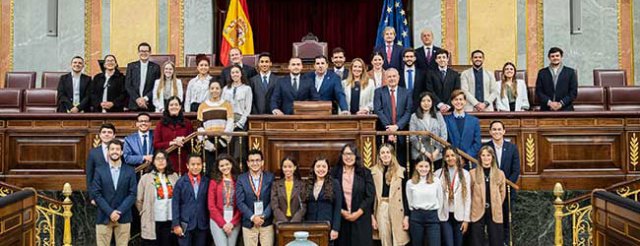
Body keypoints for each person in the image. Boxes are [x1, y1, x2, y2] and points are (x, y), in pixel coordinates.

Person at [90, 139, 137, 246]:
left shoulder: (130, 170)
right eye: (112, 149)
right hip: (103, 216)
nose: (115, 151)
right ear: (108, 152)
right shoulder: (99, 170)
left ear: (121, 152)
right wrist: (110, 212)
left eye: (117, 149)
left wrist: (119, 211)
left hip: (124, 216)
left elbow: (132, 194)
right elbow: (96, 193)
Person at [331, 144, 375, 246]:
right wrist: (342, 211)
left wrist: (358, 213)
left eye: (351, 154)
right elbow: (330, 195)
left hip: (361, 219)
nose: (348, 157)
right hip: (341, 220)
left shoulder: (365, 173)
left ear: (356, 156)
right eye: (345, 154)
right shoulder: (334, 173)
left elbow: (370, 195)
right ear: (341, 156)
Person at [484, 120, 520, 243]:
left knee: (506, 218)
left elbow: (516, 170)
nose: (497, 132)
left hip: (507, 190)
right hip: (490, 191)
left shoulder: (512, 148)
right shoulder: (486, 148)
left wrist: (504, 185)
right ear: (490, 132)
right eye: (494, 129)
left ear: (504, 131)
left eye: (499, 129)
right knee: (492, 219)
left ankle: (505, 241)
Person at [136, 150, 179, 246]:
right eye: (157, 159)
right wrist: (145, 211)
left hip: (169, 219)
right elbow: (139, 200)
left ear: (167, 161)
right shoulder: (146, 178)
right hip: (152, 220)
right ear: (153, 161)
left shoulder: (174, 176)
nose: (160, 161)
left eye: (163, 158)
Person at [370, 144, 410, 246]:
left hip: (397, 208)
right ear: (379, 155)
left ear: (392, 154)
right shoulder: (373, 172)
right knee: (385, 238)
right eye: (382, 153)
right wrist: (372, 216)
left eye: (388, 152)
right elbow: (371, 196)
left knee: (398, 239)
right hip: (382, 206)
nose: (385, 155)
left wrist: (406, 216)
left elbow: (406, 196)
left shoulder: (401, 171)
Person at [373, 68, 413, 166]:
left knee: (401, 163)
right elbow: (378, 110)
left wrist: (397, 127)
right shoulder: (379, 92)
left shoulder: (406, 92)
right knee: (384, 163)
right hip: (384, 133)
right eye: (389, 76)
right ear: (385, 79)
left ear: (398, 78)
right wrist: (389, 128)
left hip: (401, 133)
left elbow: (408, 111)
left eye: (394, 76)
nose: (392, 78)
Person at [236, 149, 275, 246]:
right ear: (248, 163)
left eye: (257, 160)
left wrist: (263, 216)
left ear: (262, 162)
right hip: (249, 223)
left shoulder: (270, 177)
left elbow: (273, 200)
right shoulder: (241, 179)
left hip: (265, 222)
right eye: (252, 161)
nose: (255, 163)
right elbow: (240, 202)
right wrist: (253, 217)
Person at [469, 146, 506, 246]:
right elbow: (470, 193)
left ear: (492, 157)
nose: (486, 158)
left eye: (488, 155)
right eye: (483, 155)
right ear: (480, 157)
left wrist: (496, 203)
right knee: (477, 241)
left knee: (496, 240)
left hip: (494, 211)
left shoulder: (500, 174)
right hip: (477, 210)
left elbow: (502, 193)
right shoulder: (472, 173)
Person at [435, 147, 471, 246]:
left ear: (457, 157)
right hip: (445, 216)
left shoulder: (465, 174)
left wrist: (466, 220)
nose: (450, 158)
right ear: (444, 158)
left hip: (460, 216)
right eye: (447, 156)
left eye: (452, 155)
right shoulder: (438, 174)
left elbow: (468, 198)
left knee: (459, 244)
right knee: (448, 243)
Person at [172, 154, 210, 246]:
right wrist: (176, 224)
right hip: (185, 224)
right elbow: (175, 204)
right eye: (193, 164)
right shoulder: (180, 182)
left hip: (202, 224)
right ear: (187, 165)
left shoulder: (206, 181)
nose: (196, 167)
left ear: (202, 165)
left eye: (198, 164)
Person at [406, 156, 443, 246]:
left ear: (430, 167)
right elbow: (409, 201)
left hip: (432, 216)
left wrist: (436, 214)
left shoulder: (436, 181)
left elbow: (440, 198)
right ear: (416, 166)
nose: (424, 169)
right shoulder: (410, 183)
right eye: (421, 166)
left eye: (426, 166)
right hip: (416, 217)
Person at [304, 157, 342, 243]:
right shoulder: (308, 183)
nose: (321, 169)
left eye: (324, 166)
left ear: (328, 169)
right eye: (318, 166)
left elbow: (338, 208)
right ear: (313, 168)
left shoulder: (334, 183)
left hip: (327, 227)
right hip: (310, 226)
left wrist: (335, 229)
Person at [207, 154, 242, 246]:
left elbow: (241, 204)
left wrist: (232, 223)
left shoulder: (238, 181)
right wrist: (223, 224)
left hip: (234, 221)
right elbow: (211, 206)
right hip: (217, 220)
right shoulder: (214, 182)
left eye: (227, 164)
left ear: (231, 164)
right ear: (218, 167)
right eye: (221, 166)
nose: (225, 167)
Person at [197, 80, 235, 164]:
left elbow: (230, 124)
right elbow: (200, 126)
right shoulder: (202, 106)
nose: (214, 90)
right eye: (212, 88)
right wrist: (207, 143)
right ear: (209, 90)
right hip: (208, 144)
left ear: (221, 90)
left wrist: (221, 142)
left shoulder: (227, 105)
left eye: (217, 88)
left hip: (223, 144)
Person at [153, 96, 193, 174]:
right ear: (167, 107)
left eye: (176, 104)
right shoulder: (160, 124)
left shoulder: (187, 123)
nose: (174, 107)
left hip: (183, 161)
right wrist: (172, 143)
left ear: (180, 107)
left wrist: (184, 139)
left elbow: (193, 142)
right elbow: (156, 144)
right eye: (171, 105)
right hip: (167, 161)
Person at [409, 91, 447, 168]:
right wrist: (425, 152)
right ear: (420, 102)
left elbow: (444, 135)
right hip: (419, 154)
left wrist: (437, 150)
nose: (426, 103)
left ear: (432, 102)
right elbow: (413, 137)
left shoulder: (438, 115)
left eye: (428, 101)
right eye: (423, 101)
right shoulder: (414, 117)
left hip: (436, 154)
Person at [444, 90, 482, 165]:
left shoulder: (474, 121)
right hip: (451, 161)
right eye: (456, 99)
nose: (458, 102)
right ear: (452, 102)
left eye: (461, 99)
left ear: (465, 101)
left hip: (470, 161)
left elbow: (477, 143)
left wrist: (465, 157)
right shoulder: (446, 120)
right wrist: (454, 157)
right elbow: (445, 140)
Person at [535, 47, 578, 111]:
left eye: (557, 56)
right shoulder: (542, 72)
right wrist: (550, 103)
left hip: (566, 109)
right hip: (546, 109)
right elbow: (539, 91)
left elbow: (573, 92)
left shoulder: (570, 72)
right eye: (552, 56)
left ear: (561, 57)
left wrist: (561, 104)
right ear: (549, 58)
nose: (555, 58)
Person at [125, 42, 161, 112]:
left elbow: (157, 86)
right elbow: (128, 85)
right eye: (142, 51)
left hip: (149, 104)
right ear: (138, 52)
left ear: (150, 53)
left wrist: (145, 98)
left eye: (146, 51)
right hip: (134, 104)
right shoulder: (131, 66)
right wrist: (137, 99)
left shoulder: (156, 67)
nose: (144, 53)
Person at [86, 123, 117, 202]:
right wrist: (92, 197)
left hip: (117, 193)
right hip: (100, 194)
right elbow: (90, 176)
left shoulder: (120, 151)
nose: (106, 134)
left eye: (109, 132)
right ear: (99, 135)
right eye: (104, 132)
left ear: (114, 135)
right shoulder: (93, 153)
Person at [271, 157, 307, 223]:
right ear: (282, 168)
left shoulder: (301, 185)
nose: (287, 169)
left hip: (297, 222)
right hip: (280, 222)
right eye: (285, 167)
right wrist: (285, 222)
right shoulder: (276, 185)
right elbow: (274, 206)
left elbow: (303, 206)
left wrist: (294, 222)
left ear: (295, 168)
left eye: (290, 166)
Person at [426, 49, 461, 113]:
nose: (442, 60)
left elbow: (456, 91)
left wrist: (448, 105)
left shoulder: (455, 74)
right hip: (435, 108)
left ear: (447, 59)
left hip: (451, 108)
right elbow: (430, 91)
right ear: (436, 60)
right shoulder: (430, 74)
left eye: (444, 57)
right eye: (439, 58)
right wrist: (440, 104)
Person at [222, 64, 253, 130]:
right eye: (232, 73)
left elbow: (248, 109)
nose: (235, 74)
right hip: (227, 121)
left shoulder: (247, 89)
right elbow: (222, 106)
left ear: (241, 74)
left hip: (240, 120)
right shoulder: (225, 89)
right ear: (230, 75)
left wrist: (239, 123)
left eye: (237, 72)